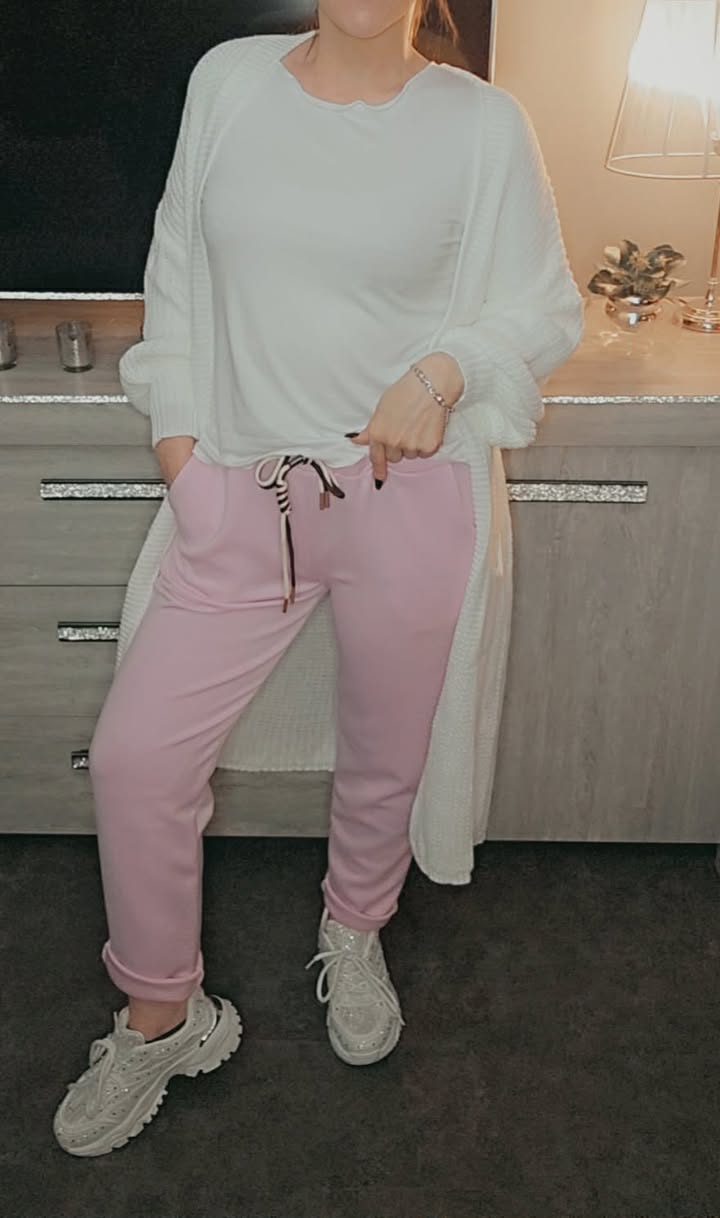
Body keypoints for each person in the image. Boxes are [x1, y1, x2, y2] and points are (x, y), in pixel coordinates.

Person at [53, 0, 584, 1157]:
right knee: (138, 763)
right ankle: (161, 1014)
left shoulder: (482, 124)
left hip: (408, 495)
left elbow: (544, 305)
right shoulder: (230, 82)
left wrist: (444, 372)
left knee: (385, 750)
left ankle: (355, 927)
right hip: (245, 495)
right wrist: (184, 456)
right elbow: (178, 271)